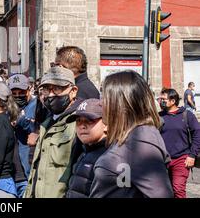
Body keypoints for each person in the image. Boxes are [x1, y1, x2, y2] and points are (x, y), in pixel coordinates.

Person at [89, 70, 173, 198]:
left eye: (105, 97)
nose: (100, 103)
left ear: (122, 104)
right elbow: (124, 183)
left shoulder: (140, 142)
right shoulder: (130, 136)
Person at [25, 65, 82, 198]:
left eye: (56, 89)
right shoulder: (46, 123)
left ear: (73, 91)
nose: (50, 95)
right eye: (46, 89)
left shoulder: (80, 122)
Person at [159, 87, 200, 198]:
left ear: (173, 101)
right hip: (162, 160)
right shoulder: (158, 117)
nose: (161, 101)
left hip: (182, 159)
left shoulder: (186, 115)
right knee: (164, 191)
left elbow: (197, 134)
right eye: (160, 99)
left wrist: (192, 155)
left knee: (178, 189)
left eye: (164, 99)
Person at [65, 99, 107, 198]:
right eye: (78, 121)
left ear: (106, 124)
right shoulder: (84, 151)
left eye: (90, 120)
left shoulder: (109, 156)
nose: (82, 126)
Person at [7, 73, 37, 195]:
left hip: (27, 171)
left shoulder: (37, 106)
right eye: (14, 93)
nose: (18, 96)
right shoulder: (8, 107)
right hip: (10, 173)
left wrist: (21, 120)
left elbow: (37, 130)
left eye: (21, 92)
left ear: (29, 90)